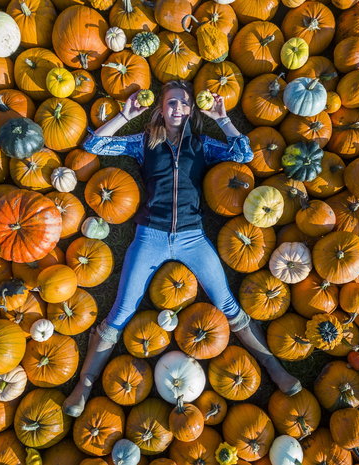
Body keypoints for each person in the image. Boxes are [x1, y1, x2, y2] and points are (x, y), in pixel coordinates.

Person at [63, 80, 301, 417]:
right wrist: (125, 114)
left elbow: (244, 153)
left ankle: (274, 369)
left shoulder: (202, 144)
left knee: (229, 306)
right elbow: (95, 143)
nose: (178, 109)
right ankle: (83, 386)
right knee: (120, 312)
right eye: (172, 103)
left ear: (191, 110)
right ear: (161, 108)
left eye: (184, 103)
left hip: (193, 238)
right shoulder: (144, 142)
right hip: (150, 237)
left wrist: (222, 117)